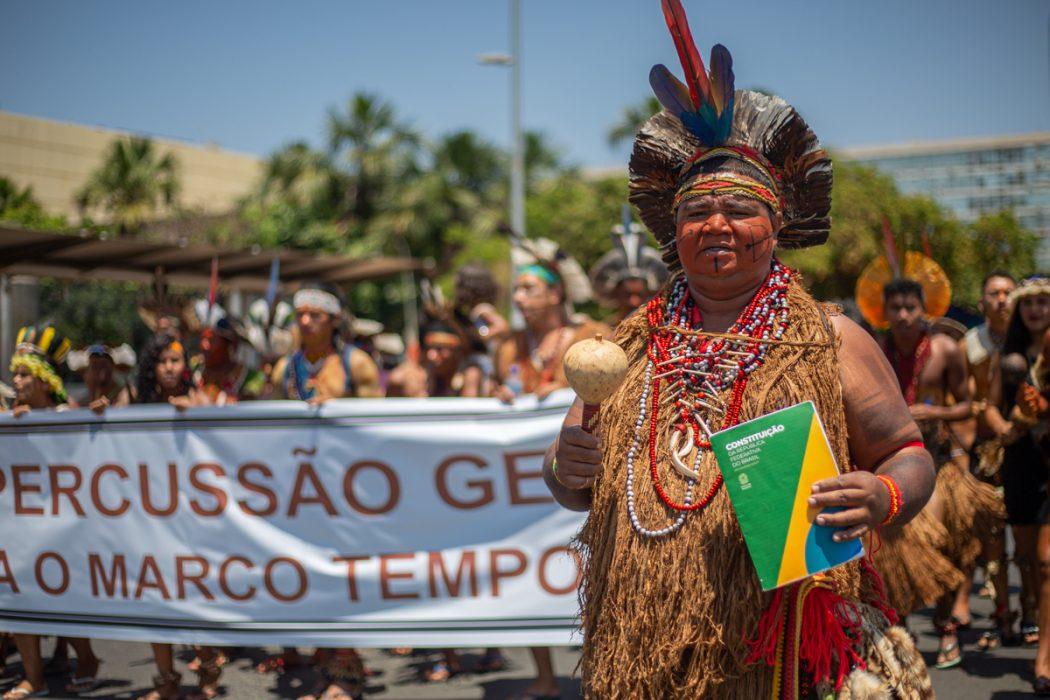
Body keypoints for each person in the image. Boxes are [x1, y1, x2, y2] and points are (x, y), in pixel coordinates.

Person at [542, 3, 933, 695]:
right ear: (676, 232)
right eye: (695, 211)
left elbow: (908, 451)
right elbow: (572, 484)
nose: (716, 223)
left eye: (740, 209)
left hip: (779, 641)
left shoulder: (828, 339)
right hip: (640, 643)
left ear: (776, 224)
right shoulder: (629, 345)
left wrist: (882, 494)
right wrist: (562, 464)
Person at [877, 277, 1004, 669]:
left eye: (910, 308)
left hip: (937, 462)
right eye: (895, 308)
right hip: (888, 465)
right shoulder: (876, 350)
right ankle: (900, 628)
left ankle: (947, 625)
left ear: (923, 310)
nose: (902, 316)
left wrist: (934, 413)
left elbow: (970, 406)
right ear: (885, 312)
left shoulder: (946, 350)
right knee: (892, 553)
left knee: (945, 543)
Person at [5, 325, 105, 699]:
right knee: (16, 596)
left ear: (45, 380)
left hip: (63, 525)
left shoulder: (68, 413)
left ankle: (88, 658)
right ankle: (34, 677)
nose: (16, 380)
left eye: (24, 374)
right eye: (15, 373)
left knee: (62, 595)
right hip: (21, 526)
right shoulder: (11, 417)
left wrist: (98, 421)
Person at [985, 275, 1050, 692]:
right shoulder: (1007, 355)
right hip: (1021, 462)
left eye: (1044, 302)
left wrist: (1041, 409)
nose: (1036, 309)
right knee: (1027, 556)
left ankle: (1044, 654)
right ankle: (1031, 608)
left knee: (1046, 561)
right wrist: (1005, 428)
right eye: (1030, 303)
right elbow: (989, 407)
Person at [961, 271, 1017, 649]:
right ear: (982, 302)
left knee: (1031, 542)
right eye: (994, 293)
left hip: (1029, 446)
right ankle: (1001, 611)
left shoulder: (1034, 339)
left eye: (1008, 293)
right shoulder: (971, 343)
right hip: (985, 449)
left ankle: (1029, 610)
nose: (1001, 299)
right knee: (990, 537)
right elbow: (965, 402)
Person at [271, 283, 381, 402]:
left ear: (335, 319)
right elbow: (274, 415)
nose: (305, 321)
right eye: (300, 314)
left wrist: (334, 407)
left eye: (315, 315)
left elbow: (373, 414)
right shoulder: (284, 368)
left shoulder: (358, 364)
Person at [589, 205, 669, 325]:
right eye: (627, 295)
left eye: (640, 295)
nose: (634, 302)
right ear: (615, 294)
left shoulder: (666, 332)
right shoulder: (601, 334)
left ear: (651, 293)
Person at [192, 316, 265, 404]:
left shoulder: (252, 377)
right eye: (203, 339)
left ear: (231, 345)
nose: (204, 346)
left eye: (212, 340)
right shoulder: (193, 369)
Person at [66, 343, 135, 412]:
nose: (102, 374)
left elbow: (122, 409)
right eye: (95, 367)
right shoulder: (79, 402)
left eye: (105, 367)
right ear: (85, 374)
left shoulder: (125, 393)